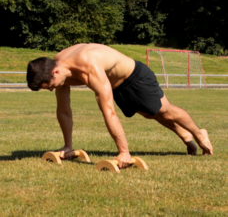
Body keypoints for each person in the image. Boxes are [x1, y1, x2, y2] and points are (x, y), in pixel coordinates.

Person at [26, 43, 213, 168]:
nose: (51, 90)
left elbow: (109, 112)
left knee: (165, 110)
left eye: (50, 86)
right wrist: (68, 146)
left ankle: (198, 133)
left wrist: (124, 152)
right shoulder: (58, 66)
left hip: (135, 77)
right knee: (151, 113)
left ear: (55, 72)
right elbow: (64, 111)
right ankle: (185, 134)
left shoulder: (87, 66)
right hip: (115, 84)